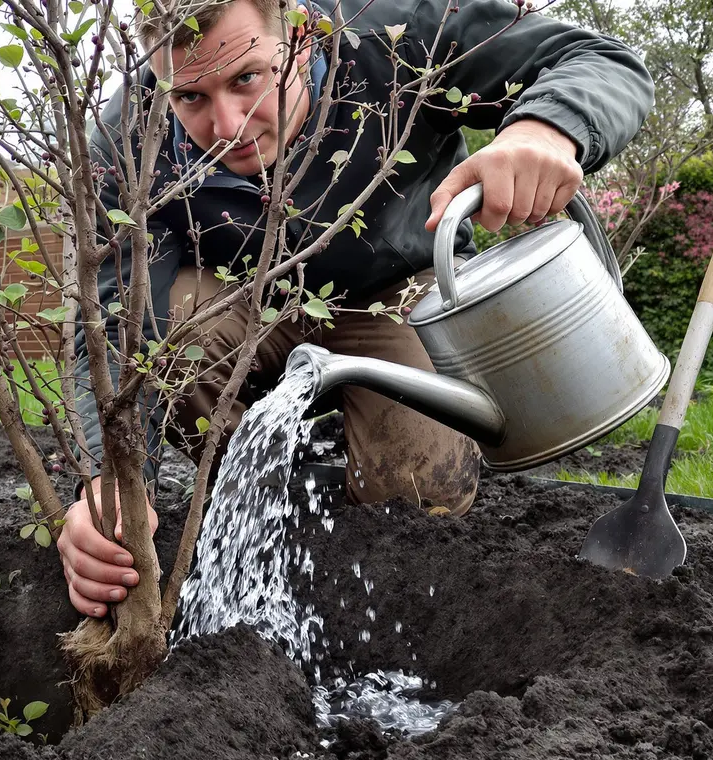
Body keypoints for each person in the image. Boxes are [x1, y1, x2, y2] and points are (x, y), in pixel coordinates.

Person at [58, 0, 654, 618]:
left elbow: (600, 61)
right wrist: (107, 480)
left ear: (302, 37)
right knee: (168, 342)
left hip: (396, 294)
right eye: (190, 97)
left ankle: (355, 482)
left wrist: (543, 130)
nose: (228, 126)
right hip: (239, 300)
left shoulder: (397, 41)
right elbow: (114, 326)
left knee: (421, 488)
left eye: (247, 79)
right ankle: (264, 496)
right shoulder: (129, 134)